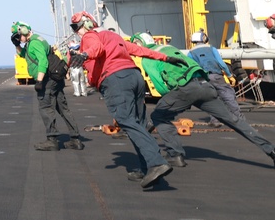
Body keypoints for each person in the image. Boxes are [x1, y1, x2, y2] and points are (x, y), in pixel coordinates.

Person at [68, 11, 184, 189]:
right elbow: (139, 50)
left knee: (125, 119)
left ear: (87, 24)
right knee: (137, 123)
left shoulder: (91, 37)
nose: (77, 32)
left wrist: (84, 55)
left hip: (116, 79)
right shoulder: (113, 36)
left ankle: (156, 163)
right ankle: (148, 168)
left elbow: (96, 49)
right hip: (134, 77)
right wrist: (166, 57)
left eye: (77, 27)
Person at [140, 41, 275, 170]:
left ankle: (175, 154)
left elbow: (160, 87)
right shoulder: (172, 49)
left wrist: (178, 100)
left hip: (185, 90)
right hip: (205, 86)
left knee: (158, 116)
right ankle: (270, 149)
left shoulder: (147, 58)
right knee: (233, 120)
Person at [12, 22, 83, 151]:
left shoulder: (34, 43)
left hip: (47, 80)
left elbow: (43, 61)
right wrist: (17, 45)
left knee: (46, 108)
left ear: (23, 31)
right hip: (55, 79)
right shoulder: (33, 42)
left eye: (18, 36)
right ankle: (75, 139)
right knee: (63, 108)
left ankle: (52, 140)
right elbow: (25, 55)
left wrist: (39, 81)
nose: (18, 39)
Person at [187, 31, 241, 119]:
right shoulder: (211, 48)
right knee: (228, 95)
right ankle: (238, 118)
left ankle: (215, 121)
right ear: (203, 38)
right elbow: (221, 64)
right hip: (216, 76)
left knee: (212, 99)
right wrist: (229, 76)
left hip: (202, 79)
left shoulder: (191, 53)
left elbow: (191, 68)